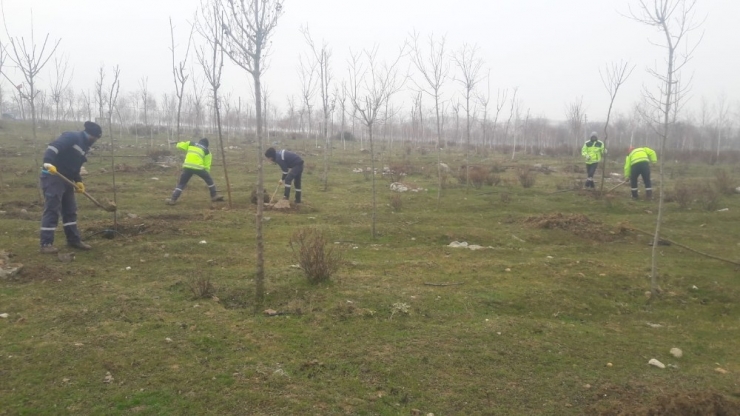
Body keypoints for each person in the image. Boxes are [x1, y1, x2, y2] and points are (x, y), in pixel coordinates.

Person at [39, 121, 102, 254]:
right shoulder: (72, 137)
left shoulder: (85, 146)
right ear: (90, 134)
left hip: (67, 179)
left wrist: (79, 181)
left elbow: (75, 166)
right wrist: (48, 163)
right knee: (52, 208)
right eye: (95, 138)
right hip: (53, 175)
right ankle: (46, 243)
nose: (95, 140)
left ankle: (73, 240)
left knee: (70, 210)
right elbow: (53, 148)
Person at [166, 138, 224, 205]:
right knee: (209, 181)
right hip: (199, 168)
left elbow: (180, 145)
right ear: (207, 145)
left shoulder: (191, 143)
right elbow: (207, 164)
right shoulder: (207, 151)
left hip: (187, 167)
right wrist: (206, 174)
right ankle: (214, 196)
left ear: (199, 142)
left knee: (181, 184)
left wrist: (176, 143)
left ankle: (173, 199)